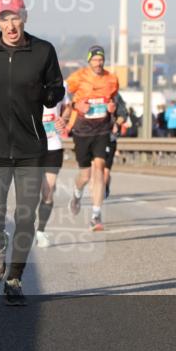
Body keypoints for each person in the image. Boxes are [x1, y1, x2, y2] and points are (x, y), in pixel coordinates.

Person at [0, 0, 64, 305]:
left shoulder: (43, 50)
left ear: (24, 17)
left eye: (15, 16)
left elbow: (57, 84)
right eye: (4, 18)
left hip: (31, 147)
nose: (10, 24)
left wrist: (52, 95)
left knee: (25, 216)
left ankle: (15, 278)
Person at [65, 45, 119, 232]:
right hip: (82, 130)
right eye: (95, 60)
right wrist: (75, 104)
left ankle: (96, 215)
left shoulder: (111, 79)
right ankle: (77, 193)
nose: (99, 62)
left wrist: (113, 107)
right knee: (85, 175)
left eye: (101, 59)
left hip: (102, 130)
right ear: (89, 61)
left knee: (99, 168)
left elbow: (114, 99)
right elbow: (63, 95)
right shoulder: (78, 77)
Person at [35, 86, 71, 248]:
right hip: (31, 148)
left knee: (48, 191)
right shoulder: (26, 79)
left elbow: (68, 107)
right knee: (30, 192)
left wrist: (63, 118)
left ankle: (41, 231)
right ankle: (26, 228)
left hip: (53, 146)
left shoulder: (60, 85)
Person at [103, 92, 129, 198]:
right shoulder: (90, 92)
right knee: (95, 168)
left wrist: (116, 124)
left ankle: (104, 188)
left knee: (105, 171)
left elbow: (123, 114)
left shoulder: (115, 96)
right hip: (93, 137)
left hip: (109, 138)